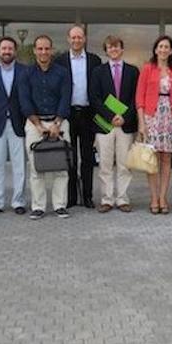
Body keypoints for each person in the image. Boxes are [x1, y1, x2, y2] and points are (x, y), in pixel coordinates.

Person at [19, 35, 72, 220]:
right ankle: (38, 207)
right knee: (36, 167)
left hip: (59, 122)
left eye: (46, 49)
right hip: (35, 124)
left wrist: (57, 124)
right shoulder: (26, 73)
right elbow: (24, 100)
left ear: (51, 50)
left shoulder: (62, 72)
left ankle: (59, 205)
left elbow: (66, 98)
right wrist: (38, 125)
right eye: (40, 49)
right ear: (34, 50)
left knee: (61, 167)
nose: (43, 52)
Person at [136, 35, 172, 214]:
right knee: (152, 160)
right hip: (152, 116)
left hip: (171, 117)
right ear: (155, 50)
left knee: (167, 159)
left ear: (171, 51)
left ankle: (164, 197)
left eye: (167, 47)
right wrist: (142, 123)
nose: (163, 50)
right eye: (160, 46)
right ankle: (154, 198)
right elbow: (139, 98)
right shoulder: (147, 68)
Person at [89, 35, 139, 213]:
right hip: (104, 124)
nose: (113, 49)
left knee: (124, 164)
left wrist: (125, 116)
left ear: (122, 49)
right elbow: (94, 98)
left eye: (117, 46)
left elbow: (136, 98)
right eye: (110, 47)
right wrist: (111, 116)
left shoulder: (133, 71)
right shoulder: (97, 71)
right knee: (105, 164)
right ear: (106, 50)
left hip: (125, 124)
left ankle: (122, 199)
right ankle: (107, 199)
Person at [54, 25, 102, 209]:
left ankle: (88, 196)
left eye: (79, 37)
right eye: (73, 37)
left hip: (88, 113)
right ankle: (72, 196)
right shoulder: (60, 61)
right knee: (70, 156)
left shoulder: (94, 60)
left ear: (84, 39)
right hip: (68, 114)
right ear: (68, 39)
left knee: (88, 157)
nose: (76, 40)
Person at [0, 36, 27, 216]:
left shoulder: (25, 71)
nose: (7, 51)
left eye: (10, 48)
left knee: (19, 165)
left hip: (18, 123)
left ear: (15, 51)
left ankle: (19, 201)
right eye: (3, 48)